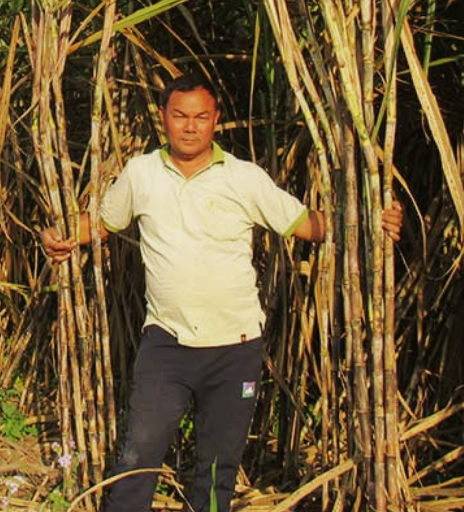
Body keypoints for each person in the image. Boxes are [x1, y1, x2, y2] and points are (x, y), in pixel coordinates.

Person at [41, 72, 403, 512]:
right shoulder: (141, 174)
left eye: (200, 117)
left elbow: (309, 225)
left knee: (217, 470)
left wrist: (371, 220)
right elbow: (102, 223)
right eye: (180, 116)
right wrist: (61, 233)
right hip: (166, 344)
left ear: (216, 120)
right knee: (139, 456)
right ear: (164, 118)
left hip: (236, 349)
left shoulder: (244, 179)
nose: (190, 126)